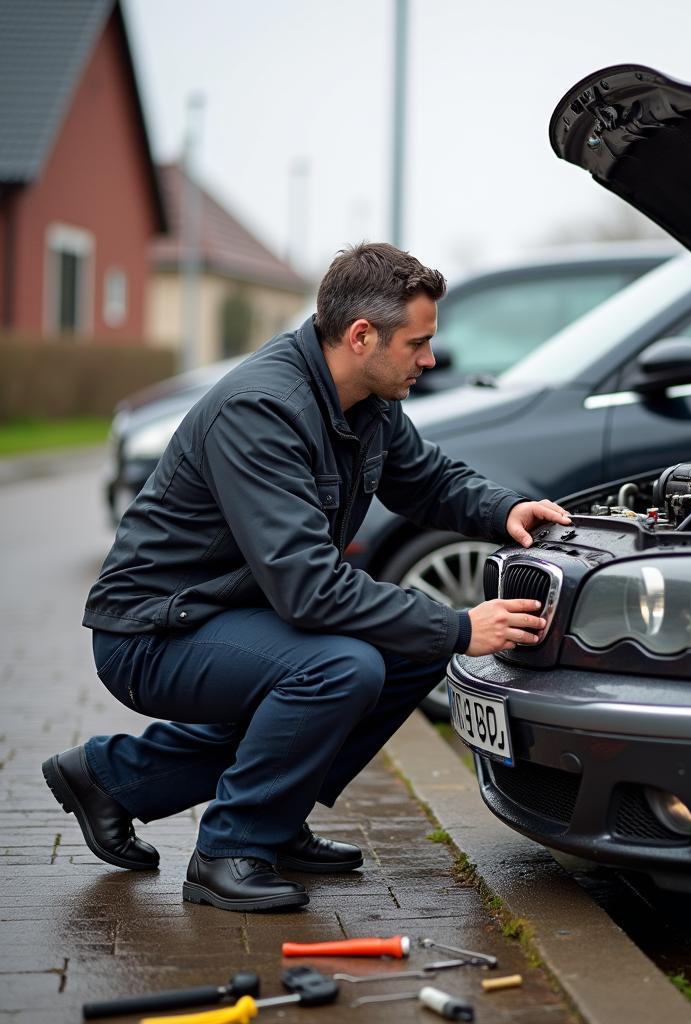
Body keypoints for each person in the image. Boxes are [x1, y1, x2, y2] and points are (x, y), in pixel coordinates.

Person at [42, 243, 571, 913]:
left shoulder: (366, 401)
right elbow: (309, 587)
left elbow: (428, 479)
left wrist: (504, 510)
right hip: (154, 630)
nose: (430, 359)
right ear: (360, 336)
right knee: (340, 670)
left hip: (232, 612)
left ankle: (131, 783)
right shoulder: (262, 411)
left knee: (404, 652)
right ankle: (232, 848)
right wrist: (461, 626)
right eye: (419, 342)